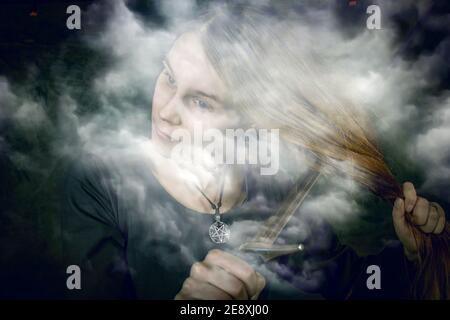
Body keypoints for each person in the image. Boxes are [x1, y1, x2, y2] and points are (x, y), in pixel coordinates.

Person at [62, 5, 448, 300]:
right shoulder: (101, 184)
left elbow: (351, 286)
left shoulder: (276, 187)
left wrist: (413, 258)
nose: (164, 112)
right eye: (169, 77)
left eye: (200, 102)